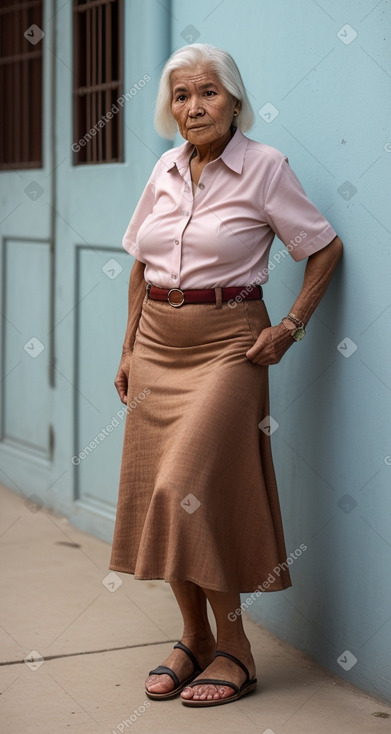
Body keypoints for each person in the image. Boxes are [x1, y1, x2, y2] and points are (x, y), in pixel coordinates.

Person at [109, 43, 343, 707]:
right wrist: (126, 350)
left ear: (234, 99)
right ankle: (192, 638)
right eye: (181, 96)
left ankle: (234, 649)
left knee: (186, 487)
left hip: (227, 346)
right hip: (155, 342)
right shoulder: (164, 167)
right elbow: (140, 267)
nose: (193, 107)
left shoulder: (264, 168)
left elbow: (322, 247)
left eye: (207, 92)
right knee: (158, 491)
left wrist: (290, 328)